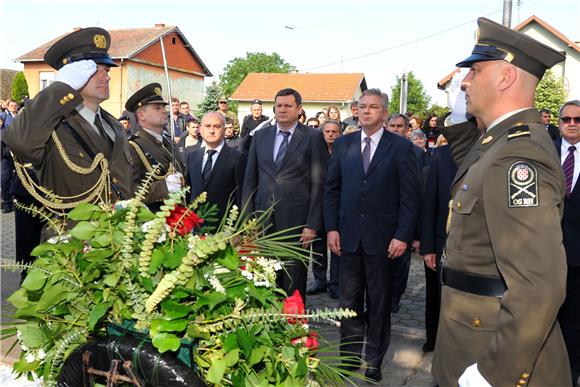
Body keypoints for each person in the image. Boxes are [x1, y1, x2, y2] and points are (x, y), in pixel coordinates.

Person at [432, 17, 570, 387]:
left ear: (506, 78)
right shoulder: (499, 142)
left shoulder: (518, 156)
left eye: (475, 71)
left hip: (490, 347)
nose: (464, 82)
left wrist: (494, 374)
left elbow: (539, 285)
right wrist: (464, 117)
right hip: (470, 330)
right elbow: (473, 168)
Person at [324, 89, 419, 382]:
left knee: (378, 305)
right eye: (362, 106)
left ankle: (374, 360)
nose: (366, 111)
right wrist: (331, 228)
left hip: (384, 241)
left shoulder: (400, 148)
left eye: (373, 107)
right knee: (348, 302)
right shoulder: (343, 145)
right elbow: (332, 190)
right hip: (348, 239)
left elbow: (410, 197)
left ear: (384, 113)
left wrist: (403, 235)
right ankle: (350, 357)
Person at [3, 27, 133, 211]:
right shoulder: (53, 126)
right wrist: (61, 88)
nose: (107, 76)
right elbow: (18, 141)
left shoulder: (114, 126)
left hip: (120, 235)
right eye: (96, 69)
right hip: (72, 234)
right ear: (73, 74)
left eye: (107, 69)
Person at [242, 88, 328, 298]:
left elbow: (320, 184)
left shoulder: (313, 137)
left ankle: (294, 326)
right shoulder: (260, 136)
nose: (282, 110)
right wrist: (247, 219)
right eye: (278, 105)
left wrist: (312, 225)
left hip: (296, 222)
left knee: (293, 278)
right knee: (265, 277)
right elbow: (250, 179)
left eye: (288, 106)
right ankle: (270, 325)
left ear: (299, 109)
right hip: (263, 220)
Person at [419, 144, 457, 353]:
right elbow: (429, 203)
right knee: (435, 295)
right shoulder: (442, 155)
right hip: (440, 240)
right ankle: (433, 338)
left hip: (474, 246)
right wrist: (427, 247)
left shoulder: (492, 149)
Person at [125, 83, 184, 212]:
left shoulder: (169, 143)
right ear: (141, 115)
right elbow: (130, 191)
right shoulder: (133, 146)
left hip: (176, 218)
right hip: (151, 220)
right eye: (157, 108)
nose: (165, 111)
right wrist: (164, 187)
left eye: (164, 107)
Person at [556, 100, 580, 386]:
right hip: (543, 253)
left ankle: (571, 372)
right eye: (566, 119)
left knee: (574, 320)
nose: (572, 123)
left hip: (577, 257)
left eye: (578, 119)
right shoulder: (543, 151)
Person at [186, 112, 245, 222]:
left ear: (223, 129)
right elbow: (188, 190)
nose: (211, 130)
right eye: (207, 126)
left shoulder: (237, 158)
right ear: (201, 129)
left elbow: (241, 195)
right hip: (194, 225)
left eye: (217, 126)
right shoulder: (192, 156)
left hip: (223, 226)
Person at [307, 120, 342, 298]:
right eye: (327, 131)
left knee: (336, 246)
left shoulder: (344, 151)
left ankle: (335, 283)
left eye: (334, 131)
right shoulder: (316, 152)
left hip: (338, 206)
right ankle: (320, 280)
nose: (330, 134)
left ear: (340, 133)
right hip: (318, 205)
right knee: (318, 245)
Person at [1, 99, 18, 213]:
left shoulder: (22, 115)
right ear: (8, 107)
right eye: (11, 105)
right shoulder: (4, 117)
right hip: (6, 153)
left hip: (19, 152)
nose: (14, 107)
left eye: (15, 105)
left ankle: (17, 198)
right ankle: (7, 202)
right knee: (5, 178)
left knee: (19, 177)